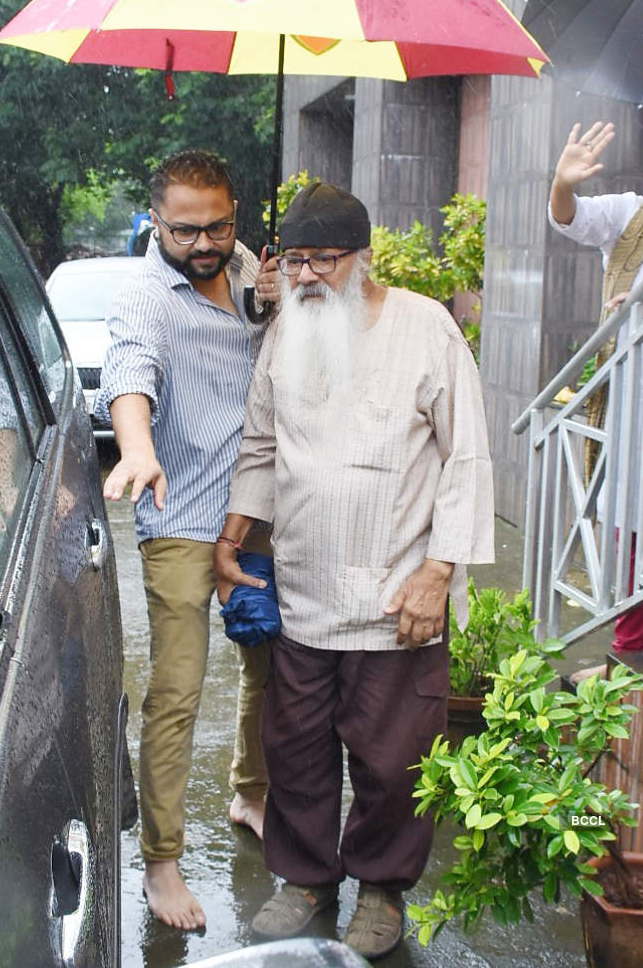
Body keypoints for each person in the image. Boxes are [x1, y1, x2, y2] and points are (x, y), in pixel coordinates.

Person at [214, 183, 494, 959]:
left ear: (361, 259)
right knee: (295, 744)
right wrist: (235, 533)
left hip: (395, 593)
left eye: (323, 261)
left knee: (391, 756)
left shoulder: (425, 327)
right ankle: (305, 880)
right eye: (294, 259)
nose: (304, 276)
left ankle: (380, 888)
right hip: (302, 586)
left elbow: (466, 456)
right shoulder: (287, 333)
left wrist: (439, 572)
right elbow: (263, 445)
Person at [97, 149, 279, 930]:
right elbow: (129, 371)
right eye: (185, 231)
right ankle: (162, 865)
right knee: (175, 694)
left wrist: (272, 304)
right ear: (156, 220)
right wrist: (135, 446)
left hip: (256, 507)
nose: (205, 245)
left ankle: (251, 793)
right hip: (179, 515)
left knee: (270, 663)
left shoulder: (244, 267)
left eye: (219, 226)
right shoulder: (146, 295)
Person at [549, 117, 643, 673]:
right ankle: (630, 646)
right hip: (630, 394)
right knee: (632, 511)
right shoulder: (631, 212)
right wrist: (563, 182)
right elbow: (570, 218)